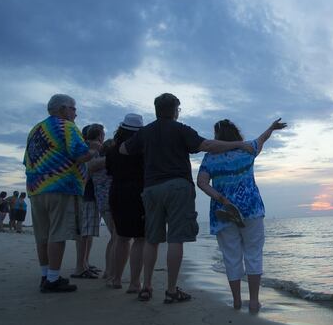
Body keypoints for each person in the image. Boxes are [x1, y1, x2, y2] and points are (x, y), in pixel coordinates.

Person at [120, 93, 254, 303]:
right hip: (177, 187)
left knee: (151, 239)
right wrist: (237, 143)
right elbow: (207, 146)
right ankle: (171, 290)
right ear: (175, 110)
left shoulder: (146, 132)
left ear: (156, 110)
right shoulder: (180, 129)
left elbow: (123, 149)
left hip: (152, 188)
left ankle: (146, 287)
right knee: (176, 238)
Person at [197, 118, 286, 312]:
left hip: (224, 213)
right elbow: (262, 139)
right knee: (253, 254)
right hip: (251, 209)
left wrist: (221, 199)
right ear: (235, 134)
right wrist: (271, 127)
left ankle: (237, 301)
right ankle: (254, 301)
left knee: (231, 256)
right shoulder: (247, 149)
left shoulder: (210, 157)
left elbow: (202, 183)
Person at [23, 93, 99, 293]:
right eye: (73, 108)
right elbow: (80, 155)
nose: (76, 112)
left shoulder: (35, 130)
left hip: (35, 187)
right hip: (61, 187)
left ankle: (46, 275)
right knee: (58, 233)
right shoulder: (66, 126)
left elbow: (27, 160)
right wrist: (93, 149)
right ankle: (53, 279)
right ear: (63, 109)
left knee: (43, 235)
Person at [107, 114, 146, 293]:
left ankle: (115, 278)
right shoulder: (143, 150)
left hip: (117, 193)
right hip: (138, 193)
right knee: (140, 238)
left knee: (121, 237)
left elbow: (109, 172)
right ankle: (135, 282)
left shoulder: (113, 150)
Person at [72, 124, 104, 280]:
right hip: (87, 195)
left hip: (88, 195)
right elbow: (88, 171)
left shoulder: (86, 150)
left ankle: (85, 263)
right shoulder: (90, 150)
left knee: (87, 232)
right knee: (84, 233)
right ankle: (80, 267)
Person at [90, 138, 115, 281]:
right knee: (116, 238)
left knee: (114, 237)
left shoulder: (95, 165)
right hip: (112, 203)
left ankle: (109, 271)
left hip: (102, 204)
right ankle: (111, 272)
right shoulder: (107, 164)